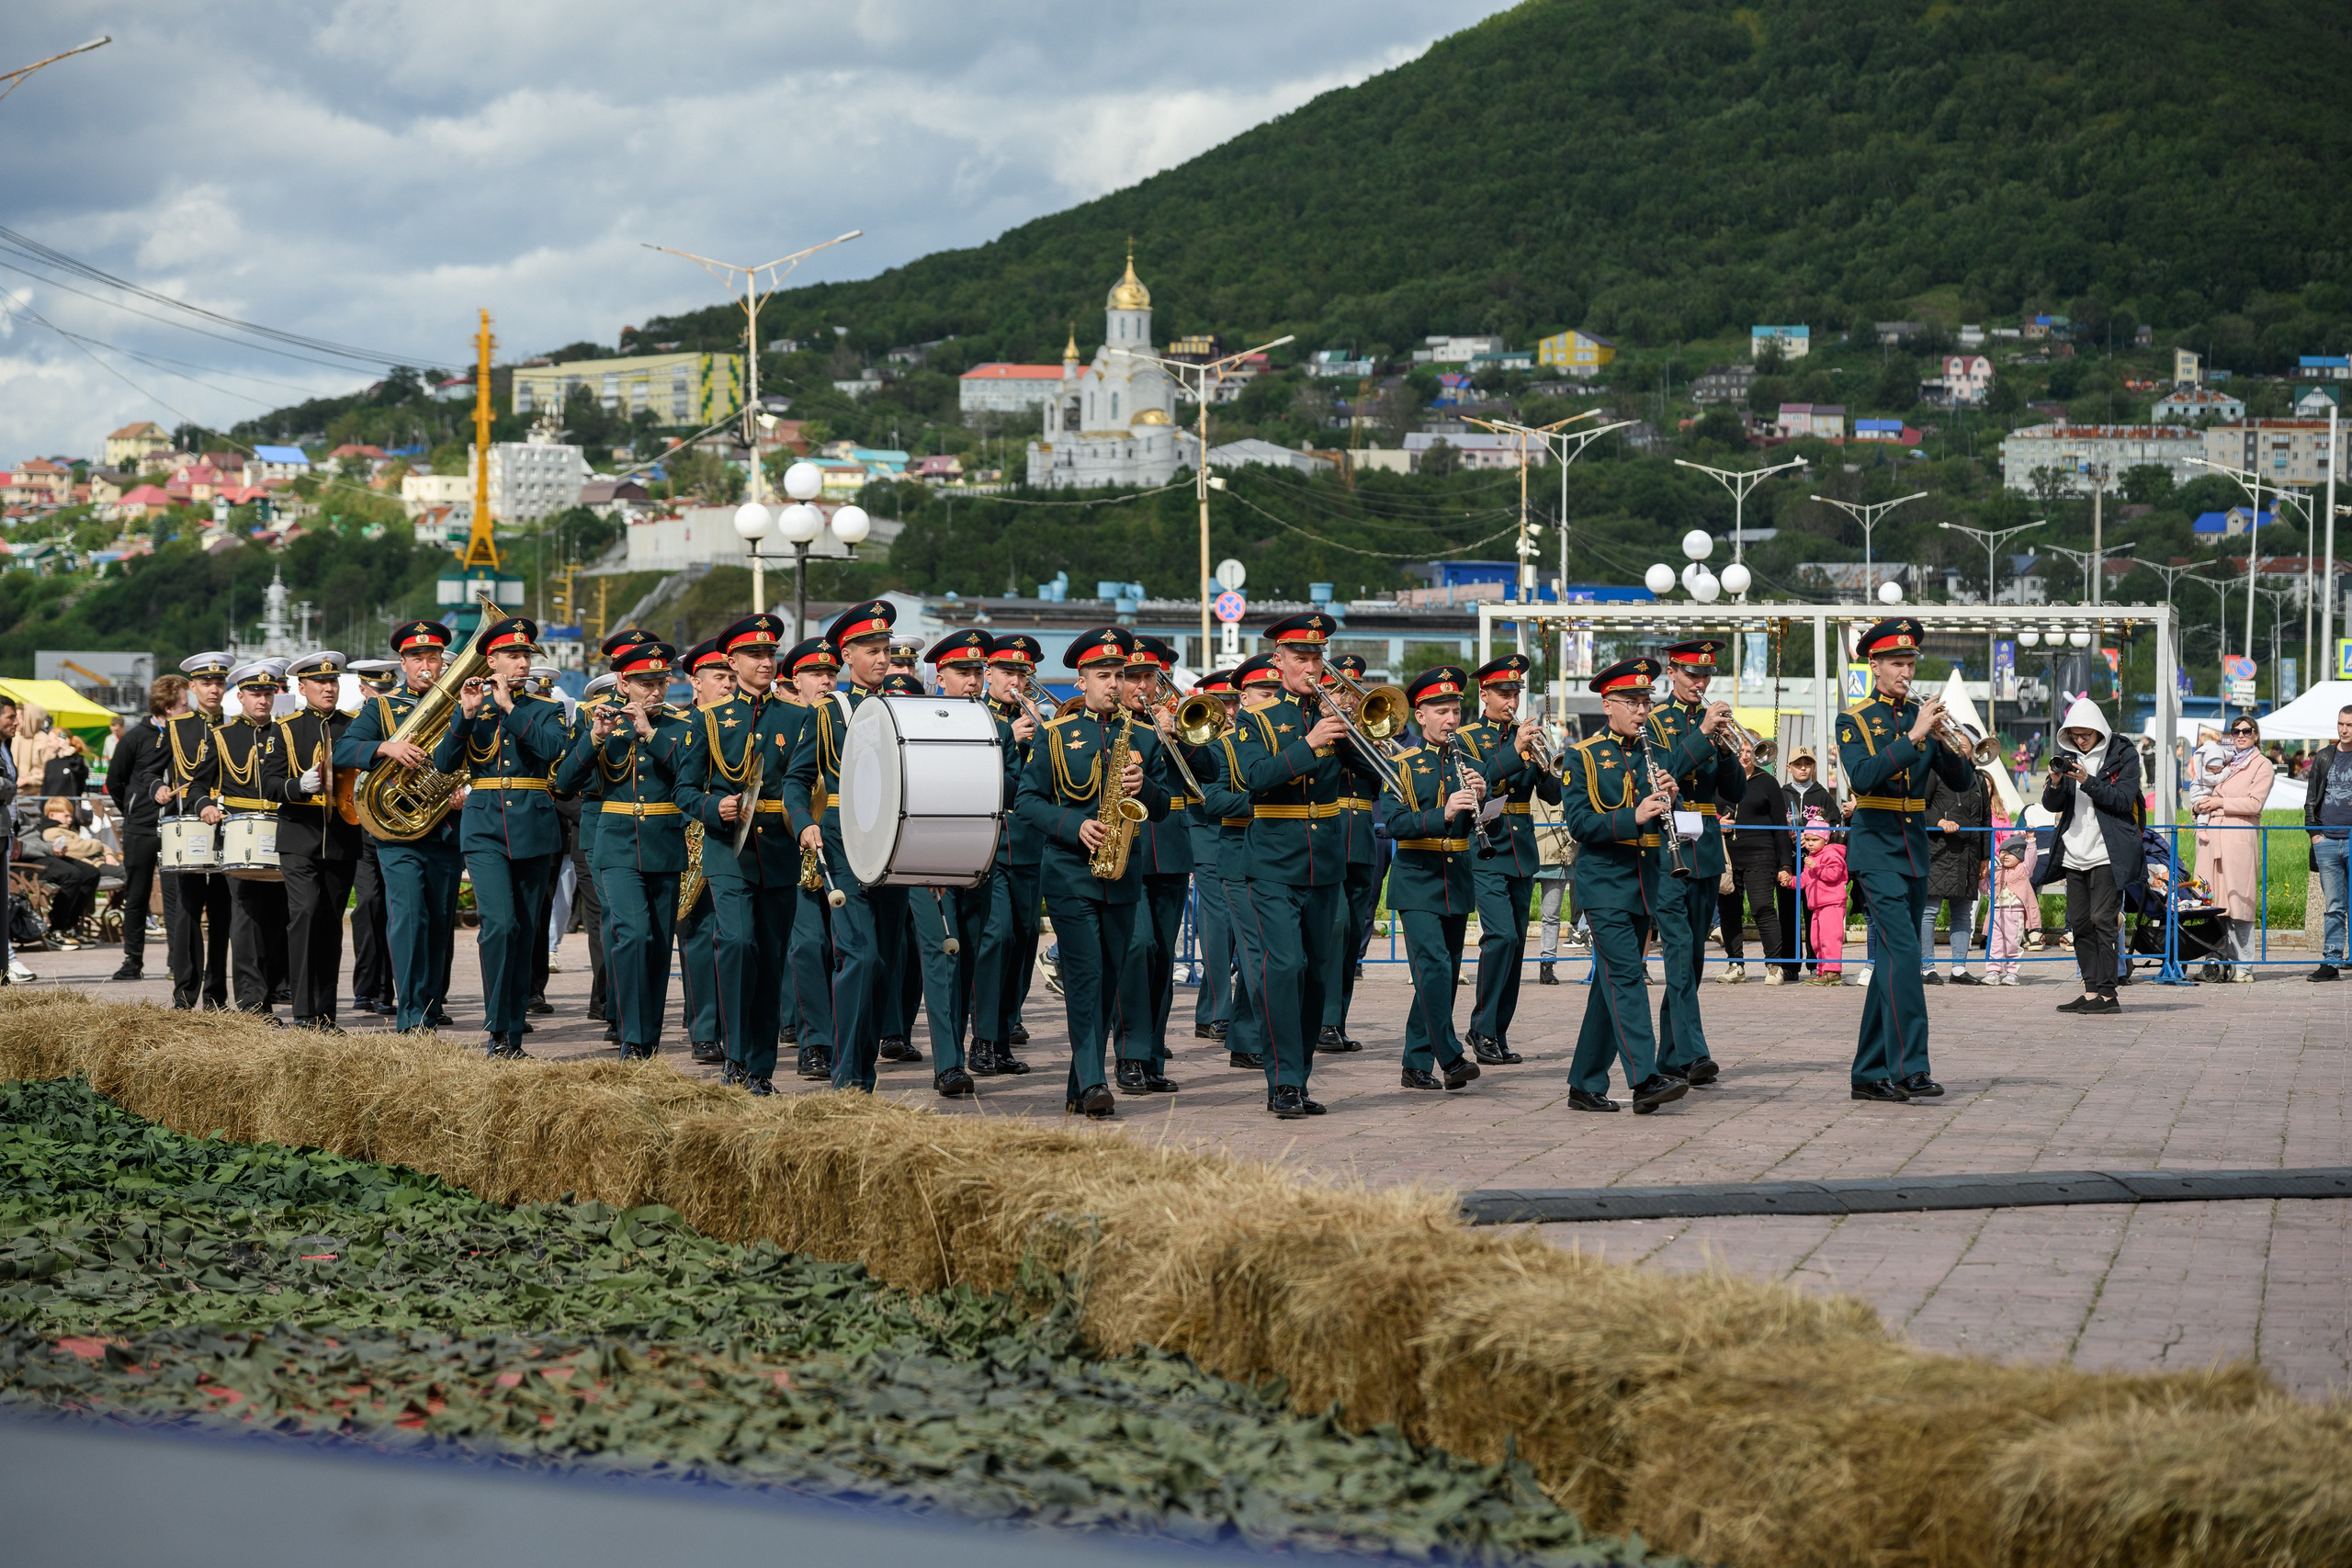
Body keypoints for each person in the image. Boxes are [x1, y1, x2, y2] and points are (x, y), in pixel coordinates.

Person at [1012, 626, 1172, 1118]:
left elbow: (1165, 807)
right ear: (1080, 681)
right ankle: (1096, 1082)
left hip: (1122, 873)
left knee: (1108, 980)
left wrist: (1144, 787)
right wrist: (1073, 825)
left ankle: (1078, 1083)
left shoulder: (1145, 736)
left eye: (1120, 675)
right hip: (1068, 874)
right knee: (1085, 974)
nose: (1114, 684)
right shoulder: (1056, 735)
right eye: (1103, 675)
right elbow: (1027, 801)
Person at [1228, 613, 1377, 1118]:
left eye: (1317, 657)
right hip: (1272, 862)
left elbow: (1376, 783)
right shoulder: (1258, 719)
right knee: (1285, 966)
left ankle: (1300, 1074)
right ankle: (1283, 1081)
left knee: (1318, 975)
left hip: (1326, 863)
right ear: (1280, 662)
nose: (1311, 666)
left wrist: (1362, 739)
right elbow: (1255, 777)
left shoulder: (1336, 716)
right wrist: (1310, 744)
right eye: (1301, 658)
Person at [1834, 617, 1978, 1103]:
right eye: (1897, 662)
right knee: (1906, 957)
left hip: (1916, 846)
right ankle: (1911, 1066)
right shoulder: (1853, 719)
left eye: (1911, 662)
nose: (1907, 671)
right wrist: (1914, 737)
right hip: (1875, 847)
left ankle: (1869, 1073)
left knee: (1895, 961)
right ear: (1873, 665)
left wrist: (1946, 744)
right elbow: (1863, 777)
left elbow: (1960, 782)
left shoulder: (1922, 717)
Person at [782, 602, 914, 1093]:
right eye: (872, 651)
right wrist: (802, 825)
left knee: (883, 962)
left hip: (897, 848)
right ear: (847, 655)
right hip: (842, 844)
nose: (883, 659)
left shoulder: (906, 708)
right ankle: (845, 1076)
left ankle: (864, 1073)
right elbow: (796, 782)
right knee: (857, 956)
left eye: (886, 650)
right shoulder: (828, 712)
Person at [434, 616, 571, 1058]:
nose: (522, 662)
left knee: (526, 931)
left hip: (533, 825)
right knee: (500, 926)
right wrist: (466, 714)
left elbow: (553, 752)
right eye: (513, 655)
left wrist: (510, 707)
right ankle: (496, 1028)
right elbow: (443, 762)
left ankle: (512, 1032)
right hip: (484, 827)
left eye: (526, 655)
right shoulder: (470, 706)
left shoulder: (543, 708)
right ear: (490, 660)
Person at [677, 613, 799, 1091]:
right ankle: (734, 1051)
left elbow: (803, 783)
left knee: (770, 960)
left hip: (780, 850)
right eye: (755, 655)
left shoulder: (798, 717)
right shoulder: (708, 719)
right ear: (733, 661)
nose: (766, 662)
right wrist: (713, 806)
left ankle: (760, 1069)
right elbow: (684, 789)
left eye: (771, 654)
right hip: (727, 848)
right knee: (738, 945)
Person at [1560, 657, 1688, 1115]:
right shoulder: (1584, 755)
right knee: (1629, 979)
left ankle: (1583, 1083)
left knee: (1610, 985)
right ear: (1607, 704)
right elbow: (1578, 823)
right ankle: (1644, 1077)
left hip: (1643, 883)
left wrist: (1670, 799)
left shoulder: (1654, 752)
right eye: (1631, 702)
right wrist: (1631, 816)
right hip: (1604, 884)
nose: (1640, 710)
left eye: (1645, 701)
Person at [558, 638, 683, 1061]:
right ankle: (629, 1032)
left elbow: (693, 773)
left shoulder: (680, 724)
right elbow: (564, 781)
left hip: (664, 843)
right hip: (614, 843)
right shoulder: (599, 720)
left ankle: (648, 1036)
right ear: (624, 682)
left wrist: (650, 733)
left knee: (660, 943)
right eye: (645, 683)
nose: (655, 691)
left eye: (661, 682)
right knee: (632, 934)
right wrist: (595, 737)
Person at [334, 622, 462, 1034]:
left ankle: (429, 1005)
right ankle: (410, 1014)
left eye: (433, 658)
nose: (426, 665)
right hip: (398, 832)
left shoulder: (462, 705)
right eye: (417, 659)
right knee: (409, 919)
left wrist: (467, 789)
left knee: (440, 921)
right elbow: (343, 750)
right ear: (403, 663)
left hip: (443, 827)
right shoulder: (383, 708)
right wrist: (384, 747)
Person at [911, 629, 1021, 1096]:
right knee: (943, 959)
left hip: (980, 857)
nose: (974, 680)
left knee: (975, 954)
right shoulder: (917, 719)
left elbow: (1015, 787)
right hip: (928, 857)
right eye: (964, 672)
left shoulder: (996, 727)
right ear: (941, 675)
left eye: (979, 671)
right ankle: (948, 1064)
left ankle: (969, 1046)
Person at [1639, 641, 1744, 1080]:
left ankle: (1670, 1055)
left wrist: (1727, 752)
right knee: (1680, 952)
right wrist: (1703, 734)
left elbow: (1734, 791)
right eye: (1691, 675)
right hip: (1667, 847)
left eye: (1706, 676)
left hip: (1703, 848)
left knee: (1694, 958)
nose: (1700, 683)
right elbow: (1665, 771)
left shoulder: (1712, 728)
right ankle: (1694, 1053)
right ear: (1672, 672)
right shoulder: (1654, 722)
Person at [1453, 653, 1561, 1064]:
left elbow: (1551, 796)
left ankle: (1498, 1032)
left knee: (1516, 946)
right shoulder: (1465, 737)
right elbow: (1475, 777)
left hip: (1521, 849)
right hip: (1484, 846)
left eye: (1515, 693)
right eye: (1503, 693)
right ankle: (1480, 1027)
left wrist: (1548, 764)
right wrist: (1515, 752)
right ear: (1485, 693)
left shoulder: (1526, 736)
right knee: (1502, 937)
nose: (1511, 702)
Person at [1380, 666, 1482, 1091]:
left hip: (1456, 878)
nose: (1451, 719)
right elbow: (1392, 823)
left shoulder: (1471, 763)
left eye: (1456, 710)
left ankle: (1414, 1062)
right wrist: (1444, 813)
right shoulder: (1401, 765)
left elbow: (1485, 822)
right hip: (1417, 878)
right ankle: (1452, 1058)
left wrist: (1483, 798)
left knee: (1442, 975)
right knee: (1436, 970)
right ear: (1419, 715)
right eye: (1441, 711)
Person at [258, 650, 364, 1031]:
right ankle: (303, 1012)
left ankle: (325, 1014)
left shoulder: (354, 725)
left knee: (331, 924)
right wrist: (297, 786)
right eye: (320, 682)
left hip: (341, 838)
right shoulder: (285, 729)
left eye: (333, 681)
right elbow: (268, 784)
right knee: (305, 915)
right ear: (302, 688)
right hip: (299, 839)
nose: (328, 688)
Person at [194, 660, 289, 1016]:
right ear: (241, 696)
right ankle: (252, 1004)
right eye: (255, 693)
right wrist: (204, 805)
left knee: (278, 919)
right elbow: (199, 785)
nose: (262, 699)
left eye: (268, 692)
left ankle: (272, 993)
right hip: (239, 832)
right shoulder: (222, 736)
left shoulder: (287, 733)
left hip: (282, 830)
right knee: (246, 919)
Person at [2038, 699, 2144, 1014]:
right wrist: (2056, 782)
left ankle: (2109, 995)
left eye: (2086, 735)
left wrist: (2087, 780)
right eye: (2075, 735)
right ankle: (2090, 990)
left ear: (2099, 730)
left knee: (2103, 920)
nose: (2081, 741)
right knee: (2081, 924)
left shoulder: (2123, 754)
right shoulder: (2068, 756)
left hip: (2107, 852)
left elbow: (2123, 800)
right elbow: (2052, 806)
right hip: (2074, 852)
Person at [981, 633, 1046, 1068]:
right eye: (1008, 672)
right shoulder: (976, 715)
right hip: (987, 842)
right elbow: (984, 781)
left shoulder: (1038, 720)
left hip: (1028, 843)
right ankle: (983, 1038)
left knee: (1024, 941)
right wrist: (1011, 739)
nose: (1016, 681)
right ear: (989, 674)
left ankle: (1004, 1031)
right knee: (997, 937)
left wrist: (1041, 738)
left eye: (1023, 673)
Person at [673, 642, 734, 1068]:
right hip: (689, 838)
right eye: (719, 678)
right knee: (699, 937)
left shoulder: (745, 721)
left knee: (733, 939)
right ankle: (705, 1030)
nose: (728, 684)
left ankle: (729, 1025)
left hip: (735, 836)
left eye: (731, 677)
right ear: (695, 682)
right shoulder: (680, 723)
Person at [161, 652, 234, 1010]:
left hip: (229, 826)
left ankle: (216, 995)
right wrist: (153, 789)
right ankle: (185, 992)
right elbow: (147, 769)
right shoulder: (176, 728)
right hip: (190, 827)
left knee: (223, 914)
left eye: (220, 683)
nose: (214, 689)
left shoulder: (235, 726)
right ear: (192, 687)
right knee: (188, 911)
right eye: (206, 683)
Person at [1320, 652, 1382, 1052]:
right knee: (1336, 929)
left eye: (1351, 691)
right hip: (1328, 834)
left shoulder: (1368, 735)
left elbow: (1381, 779)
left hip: (1361, 838)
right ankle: (1323, 1021)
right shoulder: (1317, 730)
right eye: (1336, 690)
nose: (1346, 699)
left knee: (1351, 936)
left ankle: (1337, 1022)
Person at [2190, 715, 2274, 984]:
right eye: (2235, 731)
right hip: (2211, 840)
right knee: (2212, 903)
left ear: (2256, 735)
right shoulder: (2222, 760)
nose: (2240, 735)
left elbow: (2254, 804)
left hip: (2237, 838)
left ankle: (2244, 966)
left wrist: (2218, 805)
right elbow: (2200, 791)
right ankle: (2216, 963)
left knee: (2241, 903)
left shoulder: (2262, 766)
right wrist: (2197, 807)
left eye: (2246, 731)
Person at [105, 676, 175, 983]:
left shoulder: (184, 735)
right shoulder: (135, 737)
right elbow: (115, 780)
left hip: (174, 825)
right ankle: (132, 960)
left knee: (176, 896)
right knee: (136, 895)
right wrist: (132, 809)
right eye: (182, 703)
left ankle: (178, 962)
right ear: (168, 705)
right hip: (141, 826)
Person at [1182, 670, 1240, 1040]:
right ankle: (1221, 1011)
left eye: (1234, 701)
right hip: (1207, 834)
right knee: (1218, 925)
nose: (1230, 709)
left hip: (1240, 836)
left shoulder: (1246, 737)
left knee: (1232, 928)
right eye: (1223, 703)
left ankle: (1207, 1012)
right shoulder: (1198, 737)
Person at [343, 659, 399, 1016]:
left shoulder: (404, 715)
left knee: (395, 907)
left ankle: (387, 991)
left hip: (396, 819)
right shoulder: (350, 721)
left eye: (389, 689)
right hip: (360, 821)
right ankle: (365, 987)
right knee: (369, 905)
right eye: (378, 690)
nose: (385, 695)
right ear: (364, 690)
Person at [1720, 732, 1795, 984]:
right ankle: (1735, 964)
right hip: (1729, 856)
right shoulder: (1722, 779)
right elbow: (1708, 812)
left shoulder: (1768, 782)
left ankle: (1774, 965)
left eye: (1750, 751)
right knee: (1729, 911)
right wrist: (1717, 823)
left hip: (1761, 854)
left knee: (1763, 909)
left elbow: (1780, 826)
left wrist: (1785, 864)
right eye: (1739, 750)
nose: (1744, 756)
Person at [1920, 753, 1991, 985]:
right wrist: (1939, 821)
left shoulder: (1979, 778)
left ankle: (1959, 968)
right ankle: (1926, 967)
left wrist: (1985, 856)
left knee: (1963, 913)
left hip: (1968, 853)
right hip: (1937, 851)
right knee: (1929, 912)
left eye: (1967, 744)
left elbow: (1986, 820)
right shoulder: (1935, 771)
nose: (1961, 748)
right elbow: (1919, 806)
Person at [2302, 704, 2352, 981]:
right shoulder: (2324, 757)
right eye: (2341, 724)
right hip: (2328, 841)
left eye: (2350, 725)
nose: (2344, 730)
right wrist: (2315, 835)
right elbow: (2311, 801)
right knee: (2334, 904)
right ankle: (2332, 960)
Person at [1531, 777, 1578, 984]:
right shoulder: (1525, 785)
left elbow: (1575, 818)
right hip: (1528, 856)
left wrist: (1571, 848)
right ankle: (1510, 962)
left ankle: (1547, 966)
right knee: (1518, 914)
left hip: (1557, 857)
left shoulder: (1564, 784)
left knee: (1551, 916)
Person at [1799, 810, 1849, 982]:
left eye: (1815, 840)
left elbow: (1834, 874)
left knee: (1830, 938)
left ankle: (1833, 971)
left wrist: (1816, 867)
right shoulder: (1813, 857)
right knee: (1816, 940)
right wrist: (1790, 881)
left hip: (1832, 903)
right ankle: (1822, 971)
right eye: (1807, 840)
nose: (1810, 844)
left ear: (1826, 839)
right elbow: (1804, 880)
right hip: (1818, 905)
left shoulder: (1831, 854)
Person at [1983, 830, 2034, 986]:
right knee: (1994, 943)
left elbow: (2032, 859)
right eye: (2002, 853)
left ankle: (2012, 972)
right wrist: (1982, 878)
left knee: (2013, 943)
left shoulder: (2024, 869)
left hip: (2015, 912)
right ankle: (1992, 971)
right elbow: (1987, 889)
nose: (2004, 856)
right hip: (1996, 912)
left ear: (2019, 855)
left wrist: (2031, 841)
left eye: (2009, 853)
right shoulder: (1997, 872)